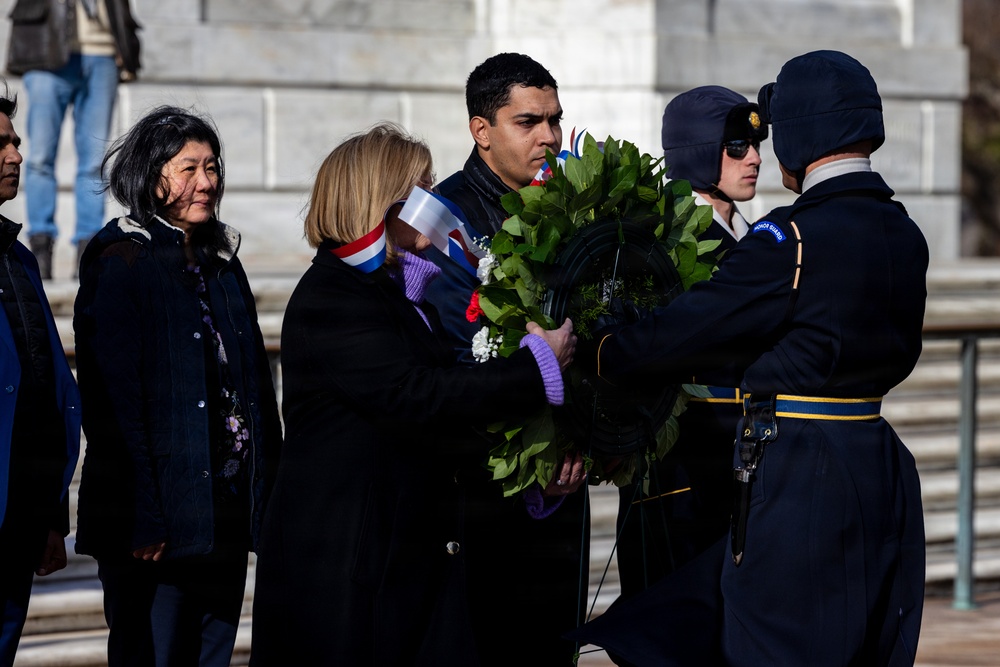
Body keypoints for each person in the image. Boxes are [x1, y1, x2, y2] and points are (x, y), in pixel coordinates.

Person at [576, 50, 928, 666]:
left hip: (801, 471)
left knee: (778, 644)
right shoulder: (902, 229)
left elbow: (692, 327)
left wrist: (601, 348)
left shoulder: (791, 237)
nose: (758, 154)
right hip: (878, 461)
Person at [248, 122, 580, 666]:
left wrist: (527, 475)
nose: (436, 206)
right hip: (350, 567)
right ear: (383, 202)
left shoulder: (399, 296)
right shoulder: (335, 294)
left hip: (403, 557)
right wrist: (536, 365)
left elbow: (434, 428)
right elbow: (416, 396)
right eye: (422, 193)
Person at [72, 105, 283, 667]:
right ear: (151, 174)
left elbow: (256, 391)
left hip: (224, 515)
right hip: (157, 525)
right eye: (189, 168)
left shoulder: (220, 257)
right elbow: (113, 403)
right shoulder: (123, 259)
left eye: (212, 167)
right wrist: (143, 512)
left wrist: (268, 499)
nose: (207, 182)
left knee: (213, 654)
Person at [425, 52, 590, 666]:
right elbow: (455, 360)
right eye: (529, 122)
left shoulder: (577, 211)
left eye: (554, 119)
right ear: (481, 129)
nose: (549, 137)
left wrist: (579, 436)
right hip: (483, 495)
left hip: (566, 488)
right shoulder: (445, 222)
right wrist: (536, 450)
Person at [614, 86, 768, 598]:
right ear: (699, 150)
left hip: (742, 473)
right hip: (680, 483)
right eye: (736, 147)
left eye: (756, 143)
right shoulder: (658, 243)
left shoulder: (757, 238)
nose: (756, 158)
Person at [0, 84, 81, 667]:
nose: (16, 155)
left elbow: (44, 389)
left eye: (16, 142)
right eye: (0, 145)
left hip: (18, 521)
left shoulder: (20, 257)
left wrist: (50, 517)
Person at [5, 0, 141, 279]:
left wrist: (126, 50)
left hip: (103, 53)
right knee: (40, 158)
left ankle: (88, 253)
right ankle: (40, 252)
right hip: (46, 50)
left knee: (94, 162)